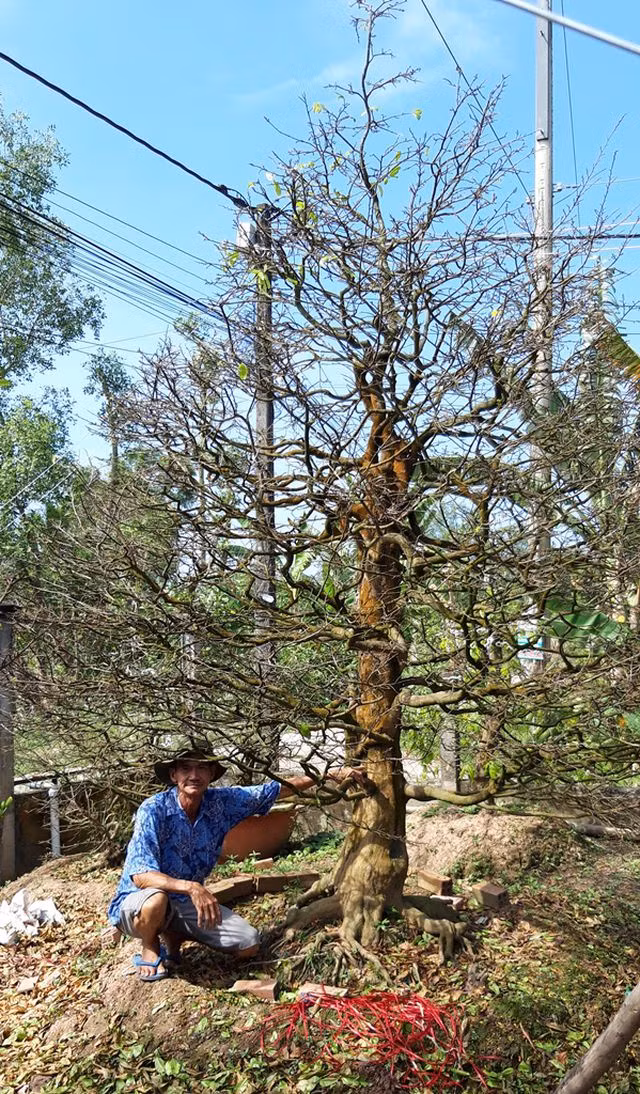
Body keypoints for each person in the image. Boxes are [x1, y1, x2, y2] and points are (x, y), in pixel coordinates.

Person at [107, 745, 363, 982]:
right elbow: (141, 875)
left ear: (211, 774)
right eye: (186, 768)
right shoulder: (153, 809)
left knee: (248, 943)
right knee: (157, 900)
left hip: (184, 903)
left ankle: (175, 937)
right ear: (174, 775)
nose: (194, 775)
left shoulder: (221, 804)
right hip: (141, 900)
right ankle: (150, 945)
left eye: (202, 768)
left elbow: (274, 790)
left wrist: (329, 774)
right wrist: (192, 887)